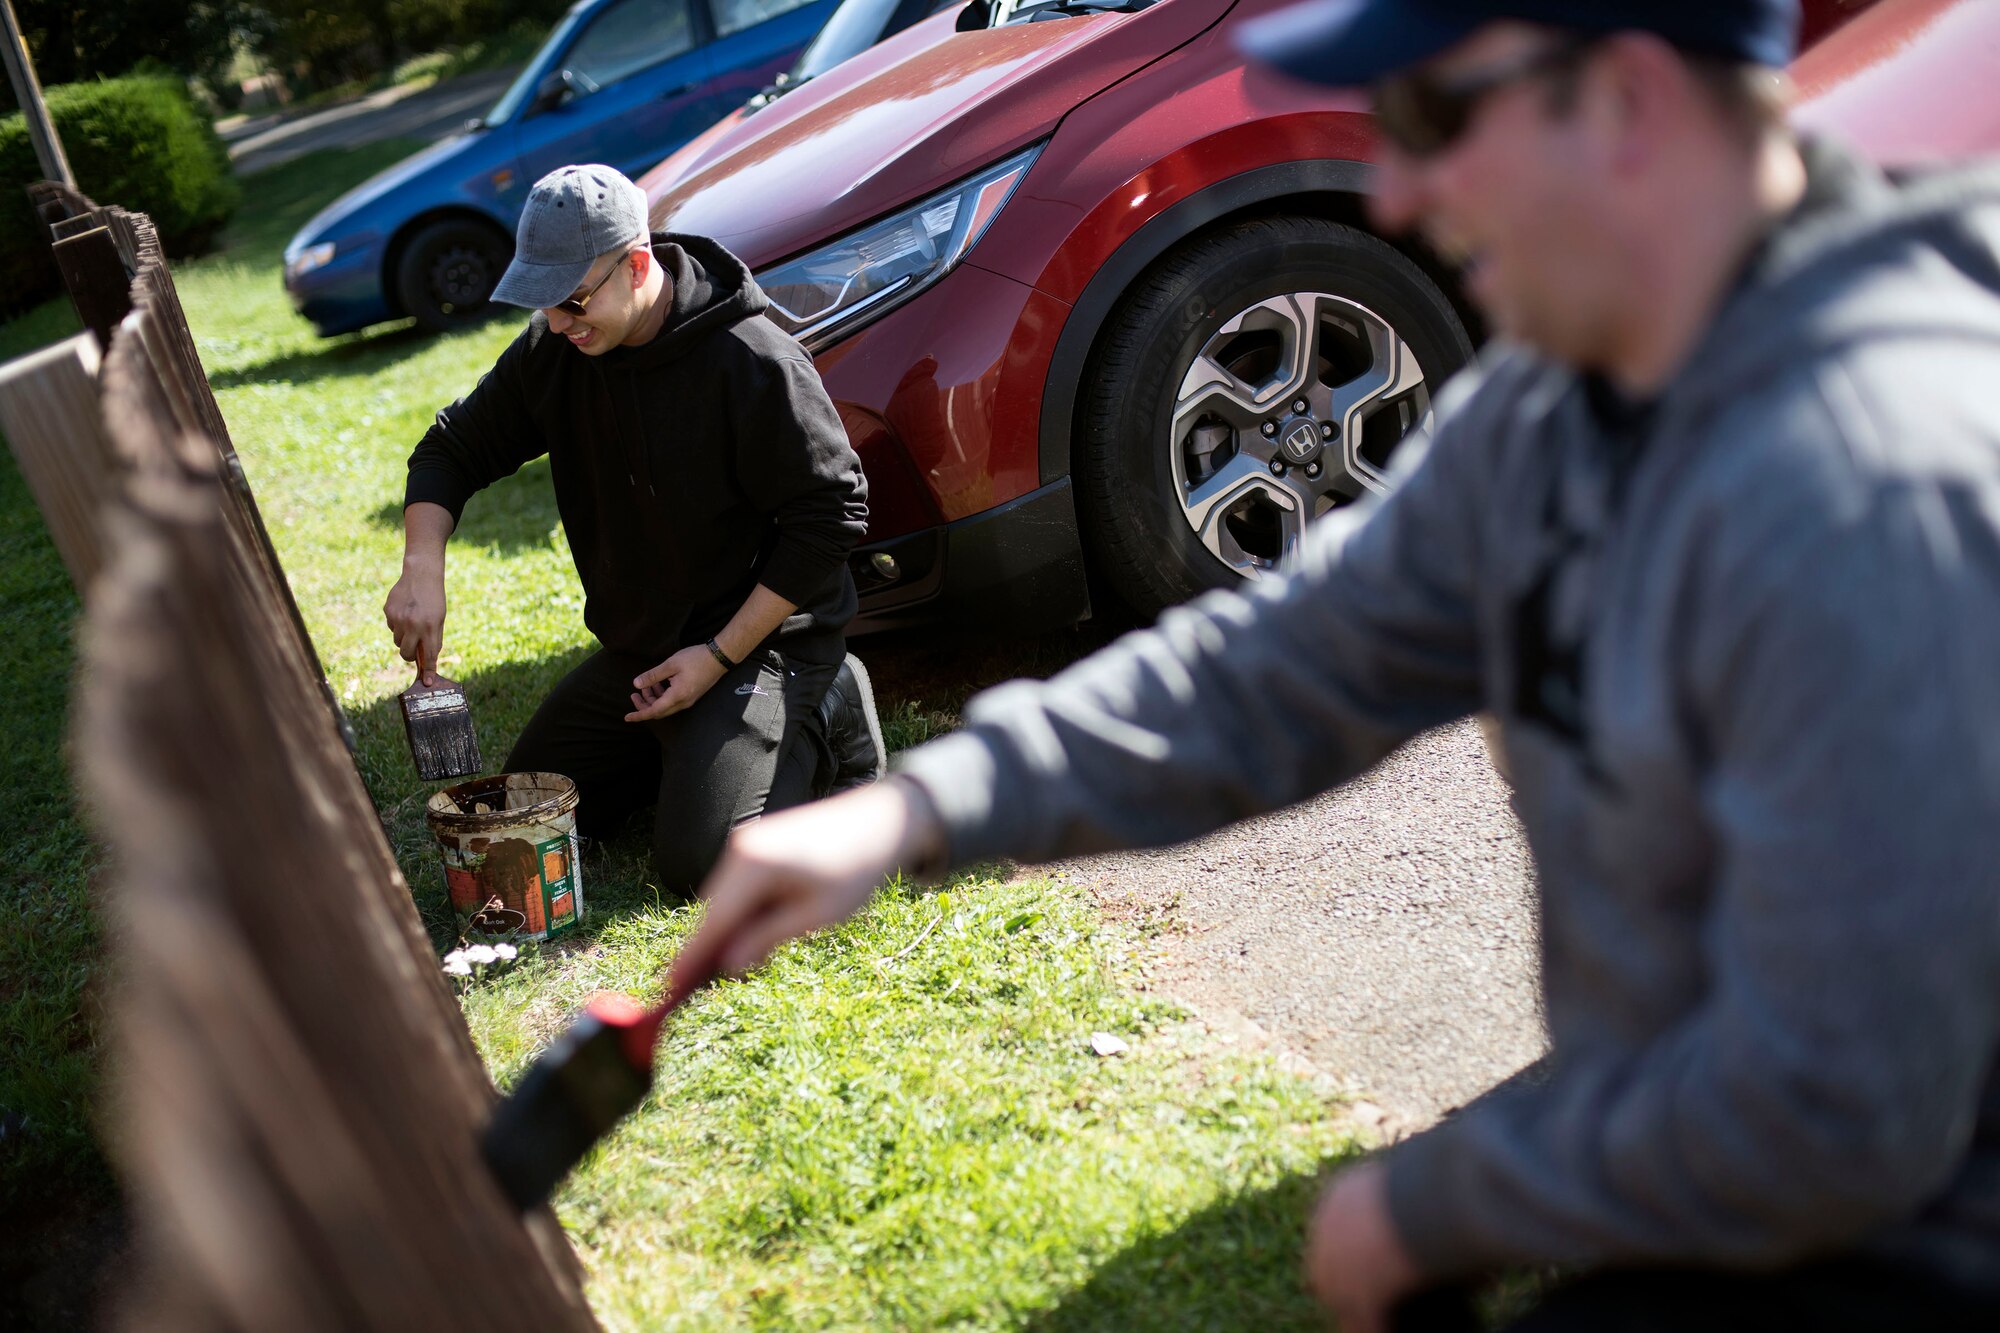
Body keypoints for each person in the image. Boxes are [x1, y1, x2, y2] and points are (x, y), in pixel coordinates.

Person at [666, 1, 2000, 1328]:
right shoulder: (1558, 404)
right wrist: (918, 811)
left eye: (1427, 118)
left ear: (1628, 100)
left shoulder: (1860, 484)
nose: (1398, 187)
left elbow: (1842, 1105)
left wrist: (1445, 1199)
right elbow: (1285, 664)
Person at [384, 164, 884, 893]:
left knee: (702, 863)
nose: (557, 322)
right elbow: (452, 447)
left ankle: (832, 699)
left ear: (638, 264)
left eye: (573, 299)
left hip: (764, 643)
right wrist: (422, 564)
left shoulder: (750, 357)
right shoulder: (557, 348)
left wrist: (715, 656)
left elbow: (832, 513)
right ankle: (692, 750)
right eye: (543, 302)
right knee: (527, 820)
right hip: (643, 650)